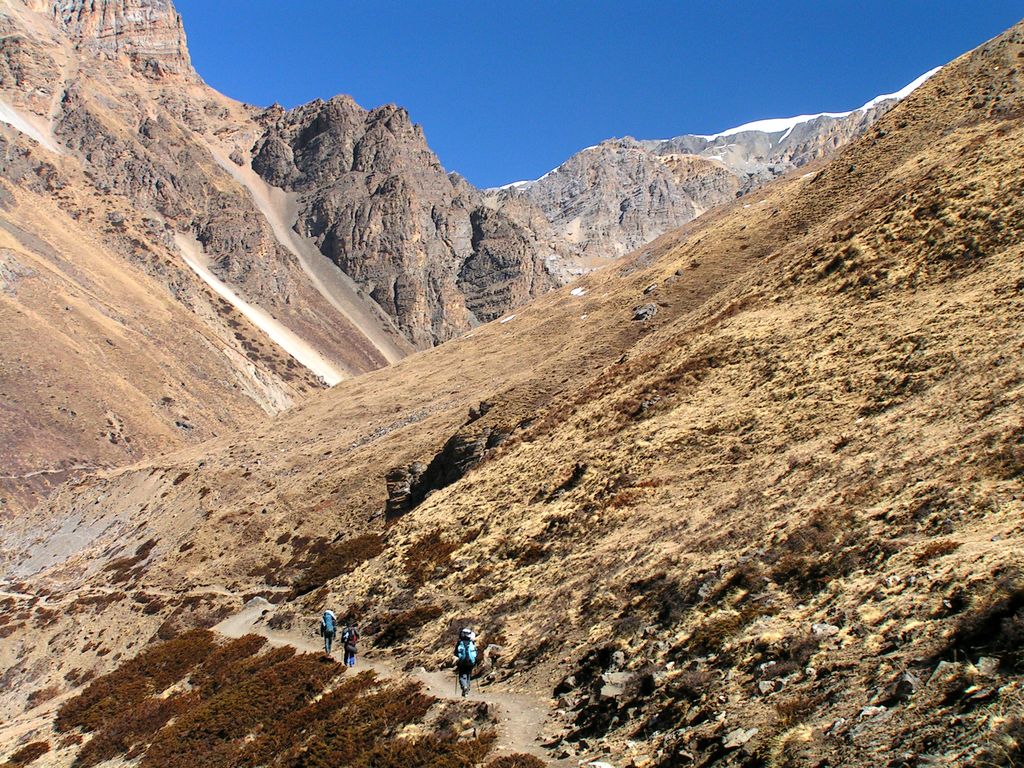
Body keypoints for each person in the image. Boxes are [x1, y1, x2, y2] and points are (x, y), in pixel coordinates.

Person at [453, 627, 478, 697]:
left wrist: (456, 660)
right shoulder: (472, 642)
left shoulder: (459, 642)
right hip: (470, 661)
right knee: (468, 674)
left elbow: (456, 653)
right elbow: (475, 652)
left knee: (462, 675)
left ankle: (464, 687)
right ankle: (467, 690)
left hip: (462, 661)